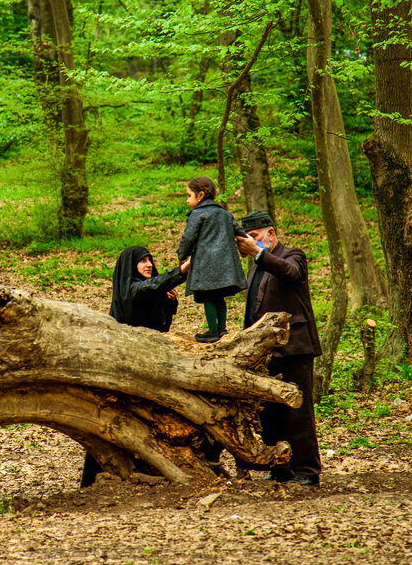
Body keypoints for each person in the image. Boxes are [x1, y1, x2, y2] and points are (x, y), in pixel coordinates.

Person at [81, 246, 188, 487]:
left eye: (150, 260)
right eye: (142, 261)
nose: (148, 264)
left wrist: (170, 301)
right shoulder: (132, 289)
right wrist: (180, 271)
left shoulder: (150, 290)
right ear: (131, 267)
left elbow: (160, 323)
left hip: (150, 364)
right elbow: (147, 289)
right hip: (127, 367)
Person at [235, 210, 322, 486]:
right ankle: (281, 467)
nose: (251, 242)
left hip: (295, 348)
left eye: (256, 237)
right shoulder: (255, 267)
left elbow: (291, 273)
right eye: (247, 239)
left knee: (298, 411)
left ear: (271, 234)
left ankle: (307, 471)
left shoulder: (292, 255)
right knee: (270, 413)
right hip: (266, 351)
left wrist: (259, 253)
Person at [176, 176, 247, 343]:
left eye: (189, 195)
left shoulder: (197, 214)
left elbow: (188, 237)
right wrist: (247, 245)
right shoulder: (224, 213)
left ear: (200, 195)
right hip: (225, 264)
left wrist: (181, 254)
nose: (187, 200)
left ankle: (213, 331)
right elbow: (239, 231)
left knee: (208, 295)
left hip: (205, 263)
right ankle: (222, 329)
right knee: (219, 296)